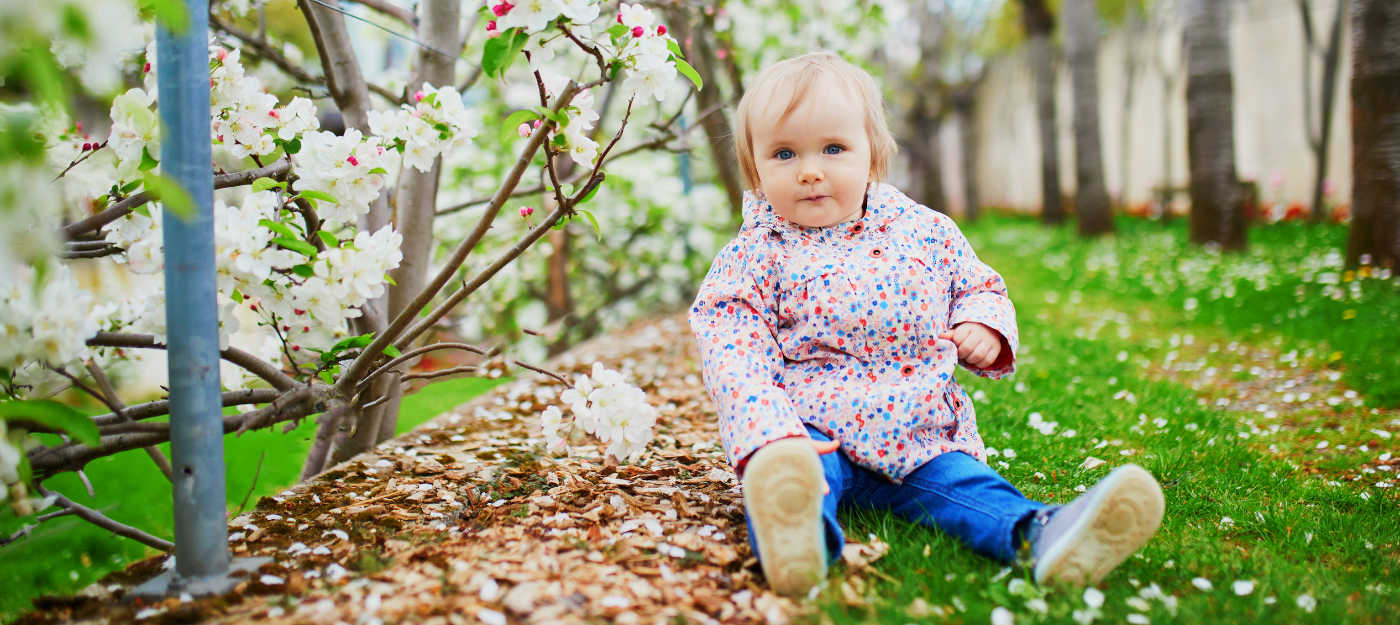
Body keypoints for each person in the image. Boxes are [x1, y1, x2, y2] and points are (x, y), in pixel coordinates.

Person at [687, 52, 1164, 597]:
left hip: (918, 431)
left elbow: (978, 284)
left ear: (873, 155)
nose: (810, 170)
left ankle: (1042, 534)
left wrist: (982, 324)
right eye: (784, 153)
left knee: (968, 488)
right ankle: (799, 538)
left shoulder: (922, 231)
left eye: (833, 149)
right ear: (755, 169)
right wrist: (769, 433)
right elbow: (733, 346)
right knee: (794, 482)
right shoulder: (755, 254)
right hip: (811, 431)